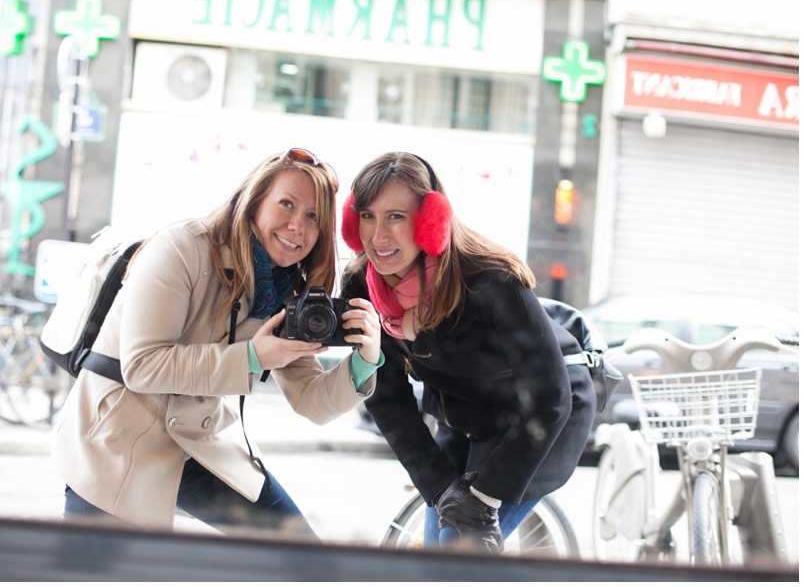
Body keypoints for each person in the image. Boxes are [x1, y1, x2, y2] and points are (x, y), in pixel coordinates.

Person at [51, 149, 382, 533]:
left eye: (313, 217)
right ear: (254, 201)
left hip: (199, 441)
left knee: (301, 558)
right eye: (286, 205)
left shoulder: (289, 292)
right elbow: (143, 366)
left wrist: (365, 360)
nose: (298, 226)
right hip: (118, 440)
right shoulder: (182, 247)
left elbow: (312, 401)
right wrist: (252, 358)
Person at [341, 152, 595, 551]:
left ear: (430, 221)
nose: (377, 237)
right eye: (368, 217)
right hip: (465, 419)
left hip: (539, 419)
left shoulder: (491, 279)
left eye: (395, 217)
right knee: (438, 554)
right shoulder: (362, 285)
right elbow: (386, 398)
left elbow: (550, 399)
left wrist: (486, 498)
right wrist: (441, 488)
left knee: (454, 552)